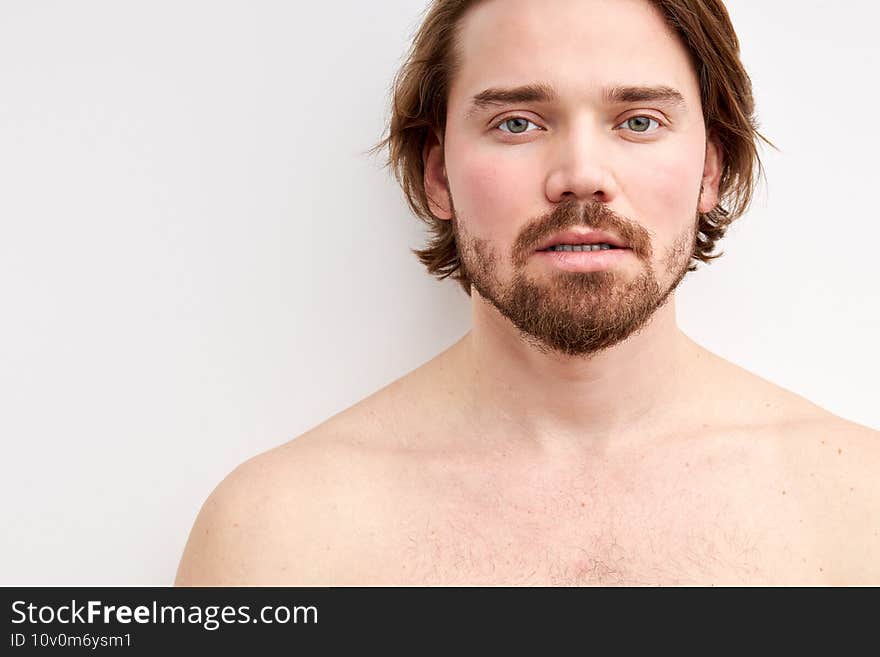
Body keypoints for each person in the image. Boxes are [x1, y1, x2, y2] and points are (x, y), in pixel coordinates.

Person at [175, 0, 879, 586]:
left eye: (639, 121)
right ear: (439, 175)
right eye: (517, 122)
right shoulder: (275, 540)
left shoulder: (859, 513)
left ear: (710, 170)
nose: (580, 174)